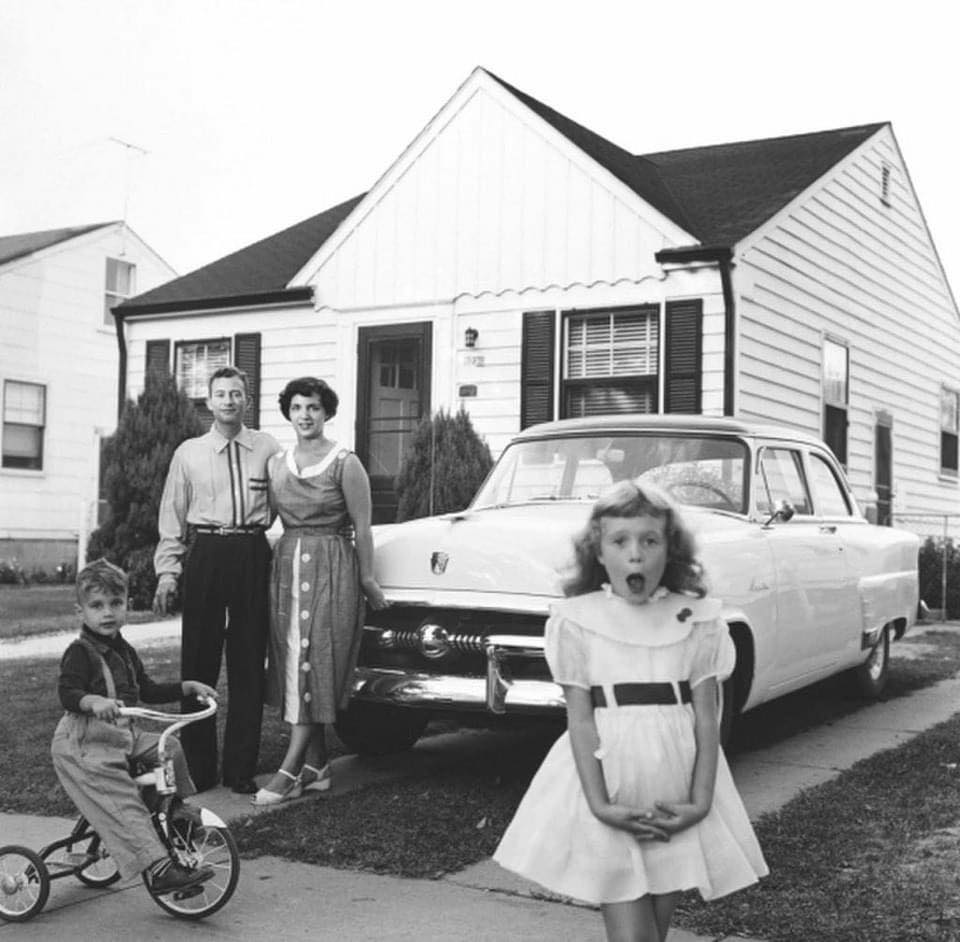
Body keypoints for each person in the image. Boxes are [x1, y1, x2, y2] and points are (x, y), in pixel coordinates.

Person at [493, 481, 767, 942]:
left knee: (654, 933)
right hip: (611, 788)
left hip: (673, 791)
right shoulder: (577, 621)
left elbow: (706, 717)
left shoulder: (698, 620)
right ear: (598, 552)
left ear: (670, 550)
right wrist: (600, 804)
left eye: (649, 541)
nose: (635, 556)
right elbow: (579, 718)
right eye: (620, 542)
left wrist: (700, 803)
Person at [252, 376, 387, 805]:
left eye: (312, 407)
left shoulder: (345, 463)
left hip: (332, 565)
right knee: (292, 659)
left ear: (326, 412)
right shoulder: (277, 463)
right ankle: (318, 766)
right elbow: (264, 516)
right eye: (296, 408)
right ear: (288, 414)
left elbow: (363, 528)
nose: (305, 416)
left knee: (317, 660)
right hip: (288, 565)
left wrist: (368, 580)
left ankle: (288, 771)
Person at [51, 559, 218, 894]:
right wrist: (93, 702)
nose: (108, 612)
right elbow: (68, 693)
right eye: (97, 605)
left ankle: (176, 813)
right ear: (80, 611)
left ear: (127, 604)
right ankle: (158, 869)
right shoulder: (80, 652)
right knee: (123, 798)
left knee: (169, 747)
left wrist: (186, 687)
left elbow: (147, 689)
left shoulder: (123, 648)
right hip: (83, 744)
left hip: (121, 737)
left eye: (116, 603)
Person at [153, 365, 279, 794]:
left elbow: (286, 506)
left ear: (247, 399)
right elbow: (171, 515)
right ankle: (201, 769)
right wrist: (168, 572)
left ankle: (240, 769)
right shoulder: (188, 452)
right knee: (199, 661)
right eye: (220, 394)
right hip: (206, 552)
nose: (229, 400)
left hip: (251, 552)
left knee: (248, 663)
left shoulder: (268, 449)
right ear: (208, 402)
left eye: (236, 393)